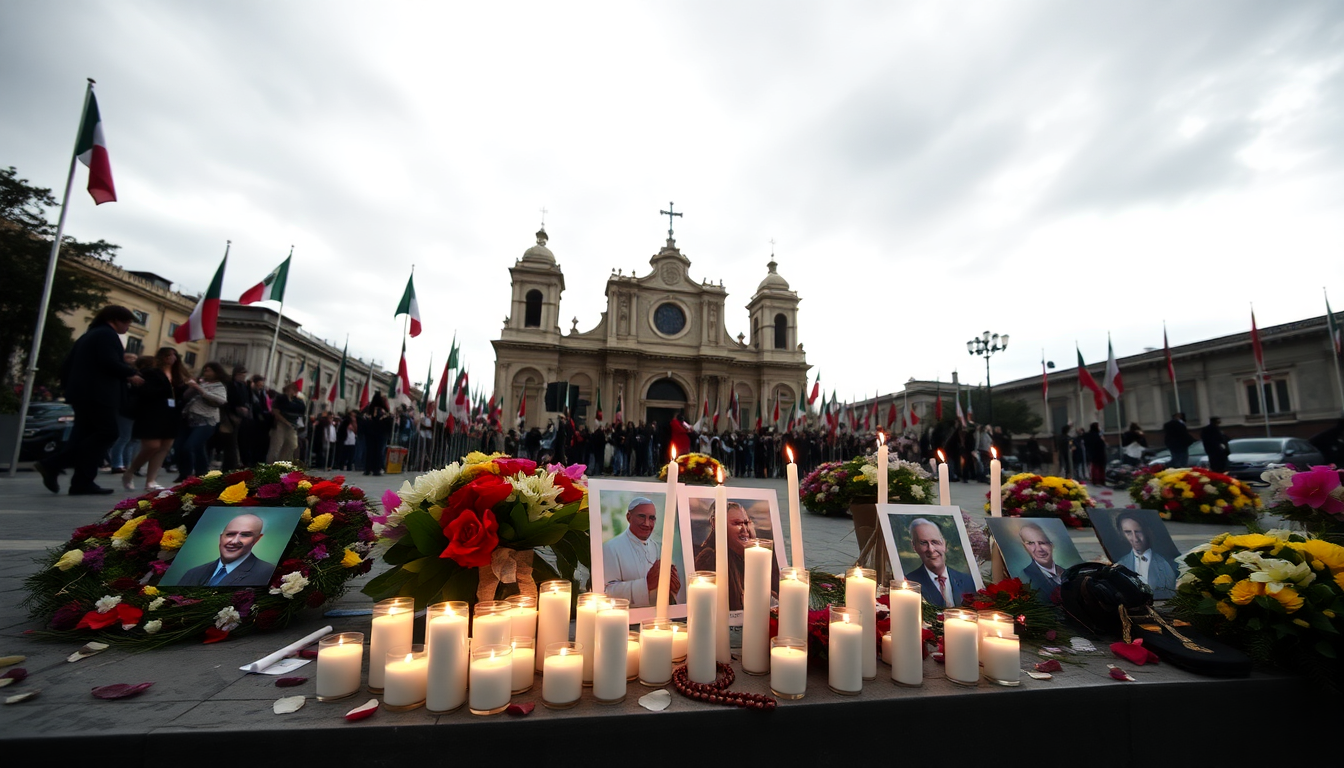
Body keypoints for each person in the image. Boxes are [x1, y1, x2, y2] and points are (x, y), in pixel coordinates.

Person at [35, 306, 143, 495]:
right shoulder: (106, 335)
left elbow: (67, 365)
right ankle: (53, 464)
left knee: (83, 436)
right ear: (115, 320)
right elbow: (108, 361)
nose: (128, 327)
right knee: (108, 433)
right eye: (127, 322)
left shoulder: (89, 335)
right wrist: (130, 373)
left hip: (83, 394)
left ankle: (82, 482)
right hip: (98, 394)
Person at [693, 501, 780, 610]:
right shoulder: (710, 559)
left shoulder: (757, 556)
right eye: (737, 523)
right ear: (716, 523)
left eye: (746, 523)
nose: (745, 529)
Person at [123, 347, 189, 491]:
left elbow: (180, 396)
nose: (172, 358)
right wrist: (165, 389)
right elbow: (144, 391)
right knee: (151, 446)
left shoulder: (178, 375)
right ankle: (130, 471)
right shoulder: (151, 372)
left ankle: (151, 480)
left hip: (171, 414)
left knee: (164, 447)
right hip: (152, 413)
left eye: (174, 355)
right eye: (168, 355)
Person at [602, 497, 680, 608]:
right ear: (628, 517)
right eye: (642, 516)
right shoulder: (611, 548)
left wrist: (672, 590)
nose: (647, 523)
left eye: (652, 518)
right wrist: (646, 585)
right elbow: (605, 593)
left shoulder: (658, 547)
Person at [172, 513, 277, 587]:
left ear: (257, 539)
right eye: (230, 534)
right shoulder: (193, 573)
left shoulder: (268, 573)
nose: (234, 541)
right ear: (221, 537)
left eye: (245, 535)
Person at [903, 517, 976, 608]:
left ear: (945, 544)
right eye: (923, 543)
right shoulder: (909, 583)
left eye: (935, 542)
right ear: (914, 546)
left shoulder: (968, 580)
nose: (931, 549)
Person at [175, 362, 228, 479]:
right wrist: (192, 387)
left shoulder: (219, 386)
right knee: (182, 446)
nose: (206, 373)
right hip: (189, 419)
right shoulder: (201, 382)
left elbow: (221, 400)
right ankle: (197, 472)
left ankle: (189, 474)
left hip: (207, 420)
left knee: (189, 446)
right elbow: (186, 396)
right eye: (205, 370)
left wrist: (199, 389)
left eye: (209, 371)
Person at [1112, 511, 1178, 599]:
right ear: (1122, 534)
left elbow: (1170, 592)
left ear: (1147, 531)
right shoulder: (1121, 564)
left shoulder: (1166, 563)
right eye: (1128, 532)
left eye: (1138, 531)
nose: (1135, 539)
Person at [1017, 522, 1067, 602]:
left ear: (1052, 545)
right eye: (1030, 543)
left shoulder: (1067, 572)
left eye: (1042, 542)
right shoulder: (1024, 576)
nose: (1039, 549)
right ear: (1025, 547)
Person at [217, 365, 251, 471]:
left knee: (235, 443)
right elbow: (227, 400)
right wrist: (236, 408)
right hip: (229, 416)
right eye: (241, 374)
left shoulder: (244, 386)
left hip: (240, 417)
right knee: (230, 443)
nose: (243, 377)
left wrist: (245, 408)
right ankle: (229, 466)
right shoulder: (230, 385)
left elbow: (247, 399)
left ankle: (232, 465)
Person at [267, 382, 305, 462]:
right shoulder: (281, 398)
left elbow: (301, 411)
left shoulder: (297, 401)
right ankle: (271, 465)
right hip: (281, 425)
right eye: (292, 388)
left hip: (292, 426)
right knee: (276, 446)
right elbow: (275, 411)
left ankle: (282, 463)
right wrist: (285, 421)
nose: (293, 391)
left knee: (292, 445)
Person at [361, 393, 393, 476]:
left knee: (369, 451)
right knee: (378, 451)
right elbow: (388, 423)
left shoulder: (369, 410)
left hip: (370, 434)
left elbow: (364, 421)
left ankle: (367, 469)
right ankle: (376, 469)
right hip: (381, 434)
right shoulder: (383, 411)